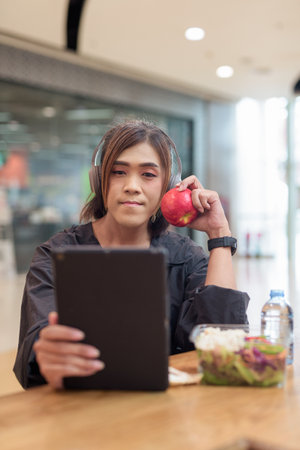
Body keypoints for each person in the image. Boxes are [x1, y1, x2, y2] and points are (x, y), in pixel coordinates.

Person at [14, 120, 249, 390]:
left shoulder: (186, 258)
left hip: (168, 411)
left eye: (148, 174)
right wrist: (50, 356)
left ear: (168, 186)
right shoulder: (56, 254)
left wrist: (219, 234)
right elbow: (37, 349)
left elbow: (225, 343)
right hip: (80, 407)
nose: (132, 186)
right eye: (118, 172)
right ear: (99, 179)